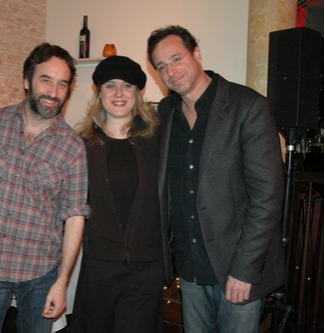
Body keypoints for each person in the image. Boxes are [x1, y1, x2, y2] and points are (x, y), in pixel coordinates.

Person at [146, 25, 286, 332]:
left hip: (236, 269)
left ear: (196, 54)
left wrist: (245, 269)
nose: (170, 71)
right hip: (190, 267)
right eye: (161, 66)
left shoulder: (248, 106)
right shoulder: (165, 112)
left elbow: (267, 197)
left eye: (176, 58)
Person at [0, 43, 89, 333]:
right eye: (46, 80)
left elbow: (74, 216)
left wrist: (62, 283)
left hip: (39, 272)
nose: (54, 92)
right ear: (27, 80)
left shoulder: (73, 147)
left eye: (63, 84)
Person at [70, 56, 173, 333]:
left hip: (146, 268)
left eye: (127, 86)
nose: (118, 93)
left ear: (137, 93)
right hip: (100, 266)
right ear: (99, 92)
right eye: (110, 85)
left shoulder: (159, 139)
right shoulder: (83, 145)